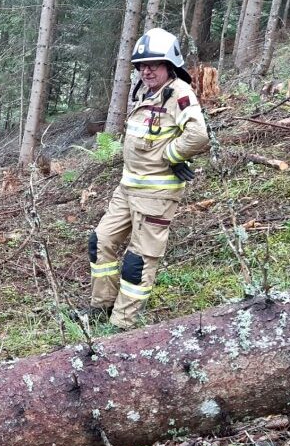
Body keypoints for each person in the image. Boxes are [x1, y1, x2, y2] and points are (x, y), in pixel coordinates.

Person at [85, 28, 210, 330]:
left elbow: (198, 135)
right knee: (100, 241)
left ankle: (121, 324)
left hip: (155, 195)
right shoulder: (143, 91)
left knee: (138, 262)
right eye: (142, 65)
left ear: (170, 65)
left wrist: (172, 155)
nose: (147, 70)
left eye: (154, 64)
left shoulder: (179, 92)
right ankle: (102, 306)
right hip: (127, 188)